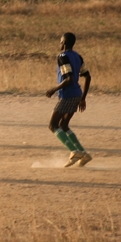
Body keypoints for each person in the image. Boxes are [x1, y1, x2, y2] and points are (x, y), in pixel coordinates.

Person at [46, 32, 93, 167]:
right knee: (64, 125)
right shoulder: (77, 56)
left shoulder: (62, 56)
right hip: (77, 94)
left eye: (61, 41)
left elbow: (69, 79)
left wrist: (54, 89)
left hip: (67, 95)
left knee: (52, 125)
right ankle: (84, 153)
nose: (60, 44)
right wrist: (83, 98)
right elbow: (88, 76)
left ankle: (74, 151)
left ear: (64, 43)